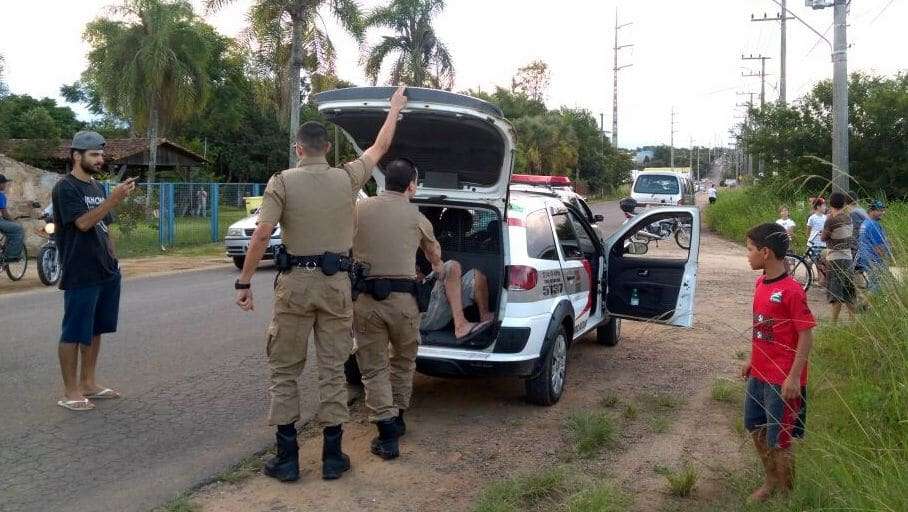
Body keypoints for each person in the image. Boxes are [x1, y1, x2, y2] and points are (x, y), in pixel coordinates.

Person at [233, 86, 407, 483]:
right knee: (332, 368)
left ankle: (287, 458)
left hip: (294, 286)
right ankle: (332, 456)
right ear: (326, 148)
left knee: (284, 369)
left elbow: (262, 234)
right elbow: (380, 147)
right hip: (335, 286)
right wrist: (394, 108)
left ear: (298, 149)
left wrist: (244, 282)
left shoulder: (281, 181)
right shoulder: (347, 177)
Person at [352, 158, 443, 460]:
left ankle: (386, 432)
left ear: (384, 182)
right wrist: (438, 267)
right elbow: (434, 255)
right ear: (411, 186)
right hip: (405, 304)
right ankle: (398, 419)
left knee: (374, 367)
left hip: (366, 302)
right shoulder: (417, 217)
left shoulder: (359, 209)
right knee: (403, 362)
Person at [51, 131, 137, 411]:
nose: (100, 159)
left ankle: (88, 383)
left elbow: (104, 227)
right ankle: (70, 392)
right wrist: (114, 199)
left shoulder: (97, 187)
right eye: (94, 155)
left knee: (95, 329)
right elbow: (84, 223)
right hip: (81, 269)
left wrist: (114, 259)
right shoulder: (66, 188)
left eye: (101, 154)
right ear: (76, 156)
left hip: (106, 270)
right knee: (75, 331)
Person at [742, 222, 816, 503]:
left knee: (781, 440)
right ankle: (770, 481)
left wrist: (794, 377)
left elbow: (805, 335)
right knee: (756, 428)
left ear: (766, 252)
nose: (747, 255)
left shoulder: (792, 291)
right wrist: (752, 360)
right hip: (759, 375)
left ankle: (787, 497)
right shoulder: (760, 283)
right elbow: (763, 328)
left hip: (782, 380)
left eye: (750, 249)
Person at [822, 192, 856, 323]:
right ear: (844, 204)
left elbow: (823, 237)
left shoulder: (831, 220)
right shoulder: (848, 218)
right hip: (848, 258)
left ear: (831, 204)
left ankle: (833, 324)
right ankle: (854, 322)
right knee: (849, 292)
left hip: (835, 259)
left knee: (835, 293)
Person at [857, 200, 893, 295]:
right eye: (879, 210)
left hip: (866, 258)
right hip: (875, 259)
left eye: (883, 210)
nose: (882, 213)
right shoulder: (874, 225)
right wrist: (884, 258)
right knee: (877, 287)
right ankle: (870, 301)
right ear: (871, 211)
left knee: (872, 284)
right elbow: (878, 247)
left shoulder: (865, 223)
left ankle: (868, 301)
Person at [0, 174, 25, 261]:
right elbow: (4, 214)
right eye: (4, 183)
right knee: (18, 229)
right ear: (0, 184)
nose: (5, 185)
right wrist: (12, 220)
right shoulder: (1, 196)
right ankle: (11, 256)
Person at [805, 197, 828, 285]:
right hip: (813, 244)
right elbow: (808, 230)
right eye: (823, 205)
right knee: (809, 261)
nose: (825, 207)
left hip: (823, 244)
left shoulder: (826, 218)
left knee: (820, 262)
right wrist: (810, 240)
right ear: (818, 207)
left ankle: (821, 280)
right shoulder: (812, 218)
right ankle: (808, 278)